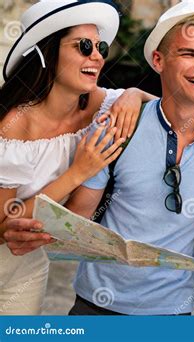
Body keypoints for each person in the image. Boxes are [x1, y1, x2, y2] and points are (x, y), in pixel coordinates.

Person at [5, 0, 194, 315]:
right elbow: (77, 216)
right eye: (190, 53)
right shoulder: (114, 126)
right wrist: (39, 228)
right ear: (158, 60)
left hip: (173, 312)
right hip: (95, 306)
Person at [0, 0, 154, 315]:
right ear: (49, 52)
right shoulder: (14, 124)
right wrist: (77, 173)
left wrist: (134, 94)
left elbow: (167, 111)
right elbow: (3, 225)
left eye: (101, 48)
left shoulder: (103, 105)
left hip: (27, 267)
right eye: (84, 46)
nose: (97, 56)